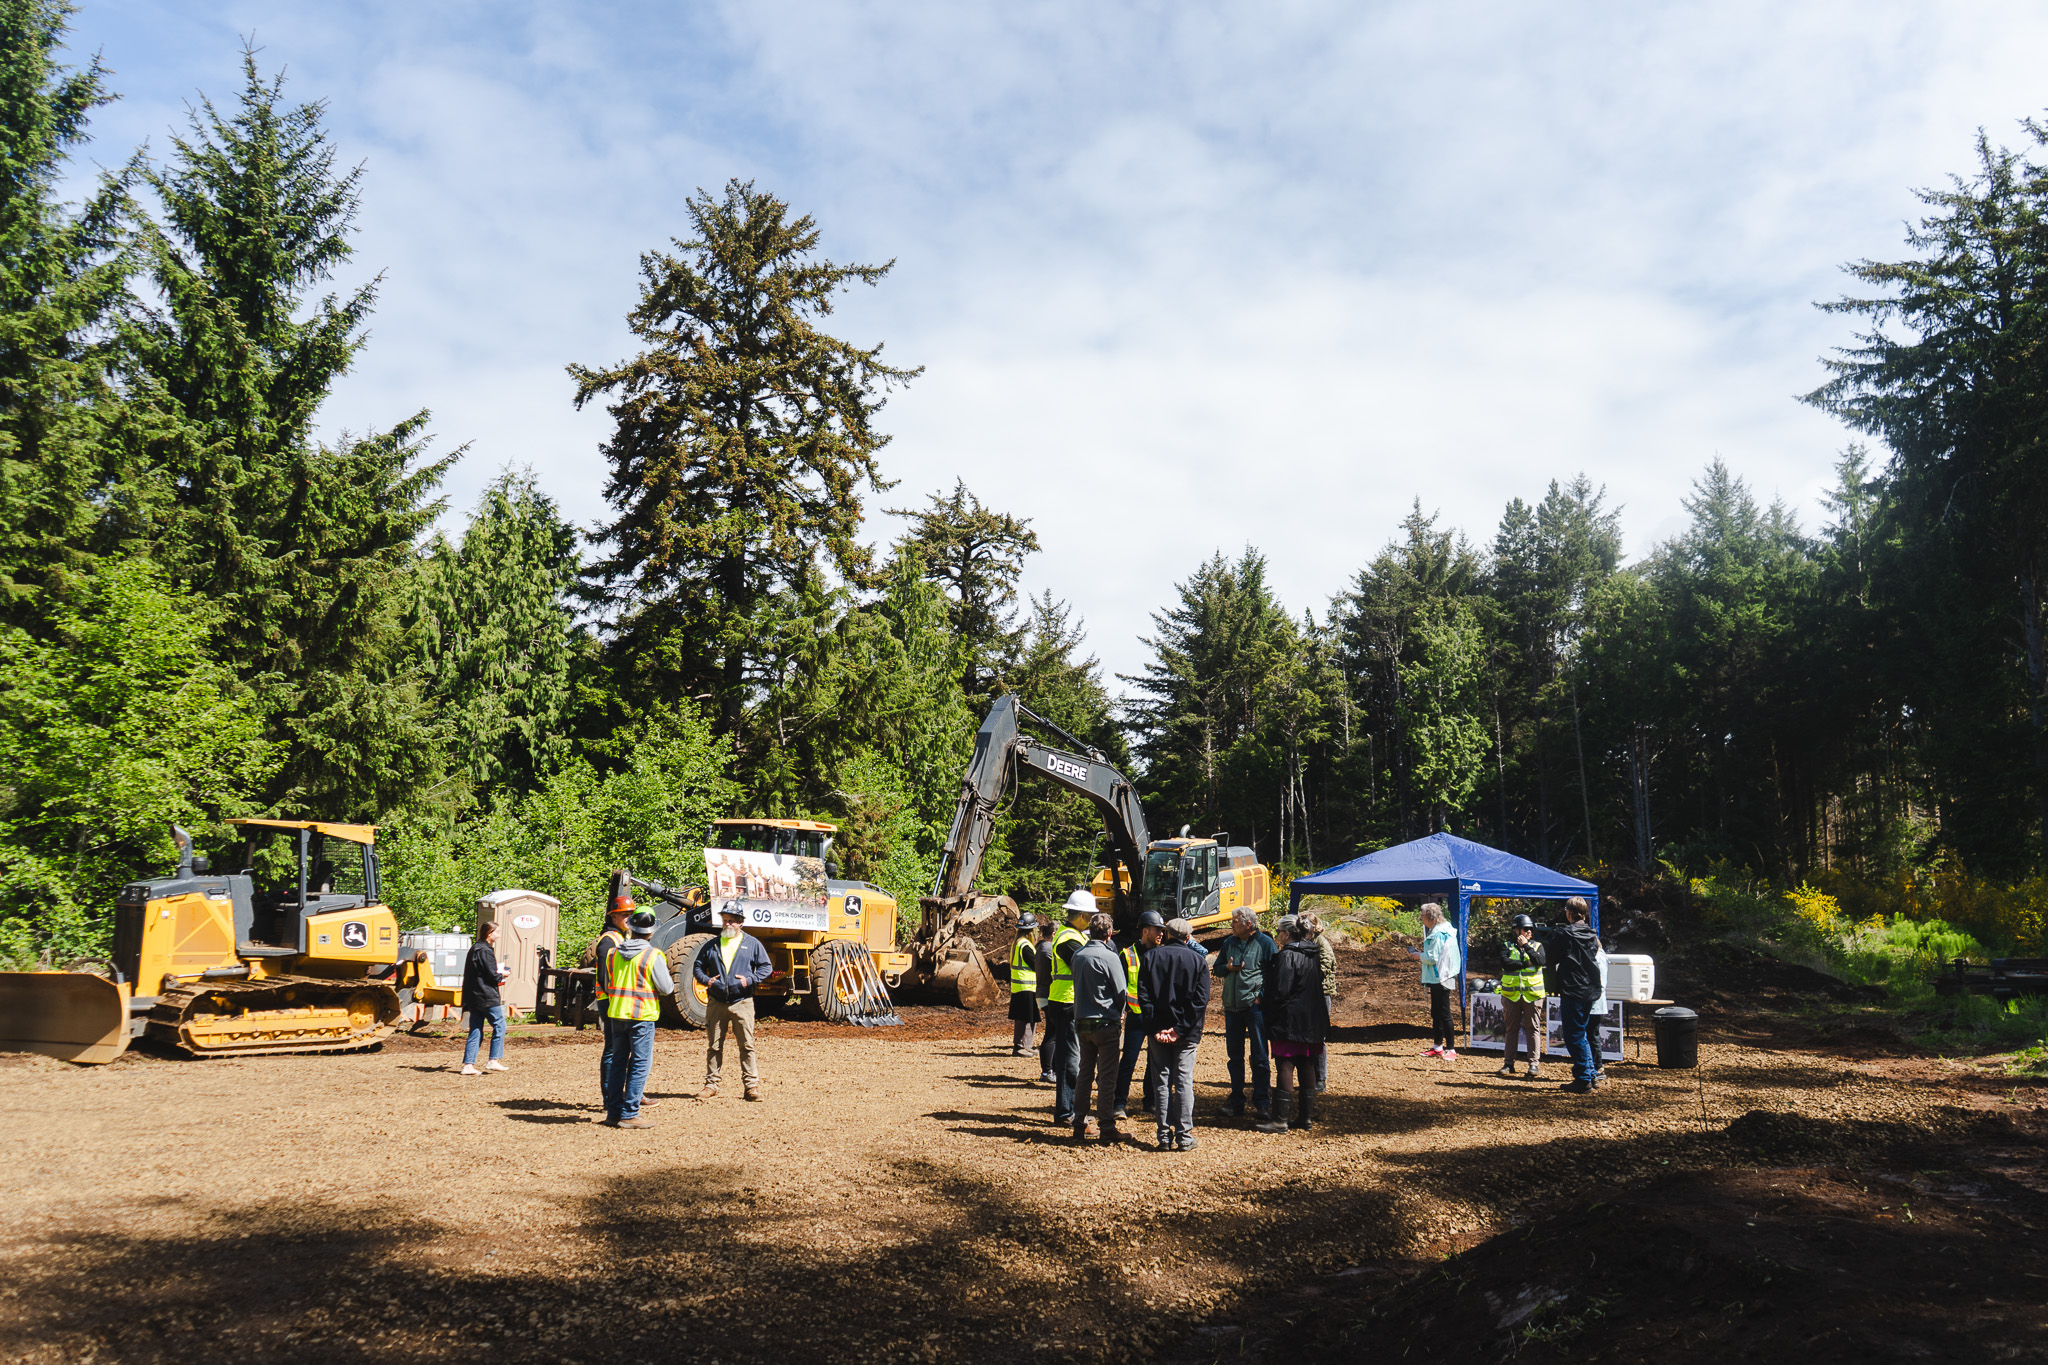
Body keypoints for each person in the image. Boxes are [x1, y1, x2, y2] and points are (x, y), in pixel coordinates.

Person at [1138, 917, 1211, 1151]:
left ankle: (1163, 1137)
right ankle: (1184, 1136)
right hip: (1186, 1034)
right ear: (1188, 937)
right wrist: (1179, 1030)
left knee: (1161, 1082)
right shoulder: (1198, 961)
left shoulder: (1150, 957)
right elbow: (1200, 1002)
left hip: (1158, 1031)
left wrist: (1156, 1028)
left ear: (1167, 934)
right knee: (1183, 1081)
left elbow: (1144, 997)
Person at [601, 910, 674, 1127]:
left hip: (616, 1014)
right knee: (640, 1063)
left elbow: (607, 984)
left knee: (617, 1063)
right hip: (641, 1015)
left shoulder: (613, 953)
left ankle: (613, 1113)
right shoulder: (652, 955)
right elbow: (667, 988)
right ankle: (630, 1114)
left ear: (631, 928)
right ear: (651, 932)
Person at [1257, 916, 1330, 1132]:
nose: (1278, 935)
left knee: (1285, 1064)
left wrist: (1266, 1006)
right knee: (1307, 1063)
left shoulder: (1287, 955)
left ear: (1287, 933)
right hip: (1311, 1018)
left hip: (1289, 1019)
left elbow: (1281, 990)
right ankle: (1305, 1118)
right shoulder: (1312, 953)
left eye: (1279, 932)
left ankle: (1280, 1120)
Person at [694, 906, 774, 1101]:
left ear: (740, 922)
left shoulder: (752, 944)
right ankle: (711, 1085)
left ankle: (751, 1087)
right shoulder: (712, 945)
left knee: (747, 1045)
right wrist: (707, 981)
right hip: (716, 1002)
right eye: (725, 920)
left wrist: (750, 980)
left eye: (731, 920)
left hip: (742, 1002)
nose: (727, 924)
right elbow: (697, 967)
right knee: (714, 1046)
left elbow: (766, 967)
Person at [1069, 912, 1128, 1143]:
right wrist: (1120, 1012)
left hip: (1082, 1022)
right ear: (1109, 934)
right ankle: (1107, 1127)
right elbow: (1121, 992)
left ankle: (1078, 1123)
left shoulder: (1078, 955)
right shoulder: (1109, 956)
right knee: (1106, 1077)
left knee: (1084, 1073)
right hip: (1105, 1023)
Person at [589, 890, 650, 1109]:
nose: (628, 918)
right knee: (613, 1049)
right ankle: (610, 1097)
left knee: (624, 1049)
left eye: (631, 914)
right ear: (613, 916)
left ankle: (630, 1093)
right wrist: (614, 996)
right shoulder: (608, 940)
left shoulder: (622, 937)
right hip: (609, 1000)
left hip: (616, 1000)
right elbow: (604, 976)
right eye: (624, 914)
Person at [1216, 906, 1277, 1119]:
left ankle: (1262, 1103)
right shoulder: (1229, 943)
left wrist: (1261, 996)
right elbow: (1217, 968)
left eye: (1234, 921)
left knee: (1259, 1057)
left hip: (1254, 1008)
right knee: (1234, 1057)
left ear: (1248, 924)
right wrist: (1227, 968)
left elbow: (1274, 974)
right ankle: (1236, 1102)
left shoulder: (1265, 943)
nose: (1231, 924)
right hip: (1232, 1008)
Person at [1042, 889, 1094, 1126]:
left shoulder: (1074, 935)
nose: (1092, 920)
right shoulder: (1067, 939)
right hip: (1066, 1003)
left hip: (1068, 1002)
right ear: (1082, 915)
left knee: (1072, 1059)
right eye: (1090, 915)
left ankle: (1068, 1111)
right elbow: (1086, 966)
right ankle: (1066, 1112)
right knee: (1070, 1061)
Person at [1545, 897, 1605, 1094]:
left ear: (1569, 912)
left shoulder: (1565, 934)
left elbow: (1550, 957)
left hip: (1572, 988)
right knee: (1583, 1032)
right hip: (1589, 989)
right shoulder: (1591, 934)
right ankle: (1591, 1074)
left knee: (1574, 1035)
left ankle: (1583, 1078)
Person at [1114, 910, 1167, 1120]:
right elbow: (1120, 987)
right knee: (1128, 1060)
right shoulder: (1127, 954)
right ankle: (1119, 1103)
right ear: (1145, 931)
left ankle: (1150, 1102)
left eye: (1162, 930)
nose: (1161, 934)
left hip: (1155, 1017)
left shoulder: (1163, 954)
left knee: (1155, 1062)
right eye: (1157, 930)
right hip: (1136, 1016)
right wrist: (1121, 1011)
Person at [1496, 913, 1547, 1080]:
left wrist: (1526, 946)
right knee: (1511, 1029)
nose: (1528, 931)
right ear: (1516, 930)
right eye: (1525, 929)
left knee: (1533, 1029)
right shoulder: (1507, 946)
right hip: (1511, 996)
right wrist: (1525, 963)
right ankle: (1508, 1064)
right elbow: (1505, 963)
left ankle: (1533, 1064)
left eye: (1530, 929)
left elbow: (1540, 961)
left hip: (1533, 995)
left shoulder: (1537, 946)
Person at [1408, 903, 1461, 1059]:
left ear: (1430, 917)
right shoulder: (1444, 929)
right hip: (1440, 975)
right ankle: (1438, 1046)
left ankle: (1451, 1049)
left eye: (1422, 915)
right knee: (1436, 1013)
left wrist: (1418, 956)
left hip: (1440, 977)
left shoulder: (1437, 933)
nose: (1421, 918)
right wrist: (1423, 953)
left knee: (1444, 1013)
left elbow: (1432, 958)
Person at [460, 920, 508, 1076]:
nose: (498, 935)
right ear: (489, 933)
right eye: (497, 932)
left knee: (475, 1029)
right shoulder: (486, 951)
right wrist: (503, 974)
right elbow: (492, 976)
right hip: (486, 996)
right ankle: (493, 1060)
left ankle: (468, 1065)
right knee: (500, 1025)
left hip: (473, 997)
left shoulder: (474, 948)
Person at [1298, 909, 1338, 1094]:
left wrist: (1304, 976)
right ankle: (1309, 1078)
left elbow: (1326, 964)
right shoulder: (1303, 941)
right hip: (1305, 993)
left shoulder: (1321, 942)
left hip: (1321, 993)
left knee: (1318, 1038)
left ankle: (1320, 1078)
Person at [1008, 912, 1041, 1056]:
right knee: (1024, 1018)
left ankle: (1026, 1046)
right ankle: (1020, 1047)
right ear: (1031, 930)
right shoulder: (1025, 945)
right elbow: (1036, 965)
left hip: (1020, 986)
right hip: (1026, 986)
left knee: (1027, 1017)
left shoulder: (1017, 943)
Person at [1034, 919, 1057, 1082]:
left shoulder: (1041, 947)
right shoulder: (1048, 950)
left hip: (1042, 993)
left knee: (1052, 1032)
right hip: (1048, 994)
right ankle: (1048, 1071)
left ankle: (1050, 1070)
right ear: (1054, 934)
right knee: (1052, 1033)